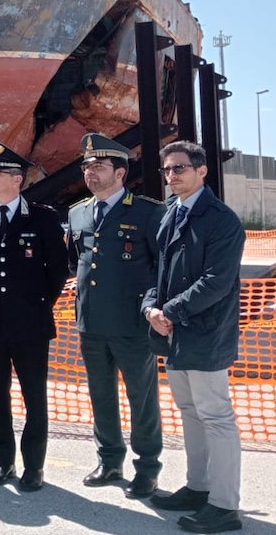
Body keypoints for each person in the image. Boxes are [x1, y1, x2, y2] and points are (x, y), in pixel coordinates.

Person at [144, 141, 245, 534]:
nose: (172, 175)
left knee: (216, 417)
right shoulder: (170, 212)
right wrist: (151, 308)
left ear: (202, 171)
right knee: (190, 412)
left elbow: (216, 282)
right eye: (167, 169)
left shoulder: (222, 220)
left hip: (205, 333)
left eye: (180, 168)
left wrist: (169, 311)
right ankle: (198, 487)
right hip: (175, 331)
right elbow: (156, 270)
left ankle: (224, 506)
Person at [0, 142, 69, 491]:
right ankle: (4, 461)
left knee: (33, 396)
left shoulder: (42, 217)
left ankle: (33, 466)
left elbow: (58, 270)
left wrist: (36, 304)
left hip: (30, 322)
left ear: (18, 180)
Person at [66, 134, 165, 498]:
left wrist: (153, 306)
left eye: (99, 166)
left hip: (132, 324)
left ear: (120, 172)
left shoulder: (147, 212)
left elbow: (160, 266)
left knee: (142, 398)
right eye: (86, 166)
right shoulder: (77, 212)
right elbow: (76, 262)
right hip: (91, 322)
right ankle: (109, 460)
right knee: (101, 395)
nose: (90, 172)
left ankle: (147, 468)